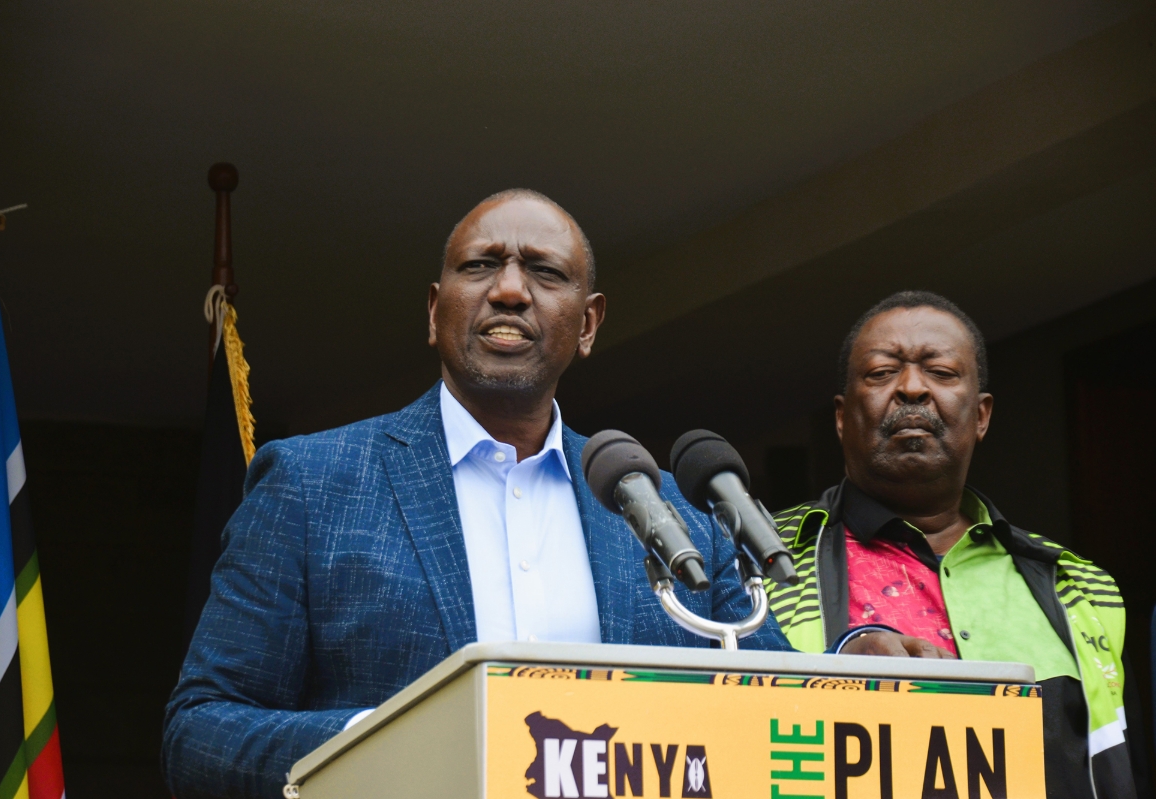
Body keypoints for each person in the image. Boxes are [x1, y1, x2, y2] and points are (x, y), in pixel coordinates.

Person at [162, 192, 937, 799]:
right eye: (480, 267)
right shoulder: (311, 484)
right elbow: (197, 734)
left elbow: (766, 706)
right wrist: (381, 743)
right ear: (435, 312)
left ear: (588, 323)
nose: (508, 289)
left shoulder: (670, 512)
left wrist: (849, 667)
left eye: (545, 272)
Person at [765, 290, 1146, 799]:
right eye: (882, 372)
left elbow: (1121, 771)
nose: (912, 388)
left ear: (983, 415)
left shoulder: (1079, 586)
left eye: (940, 372)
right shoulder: (760, 557)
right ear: (840, 417)